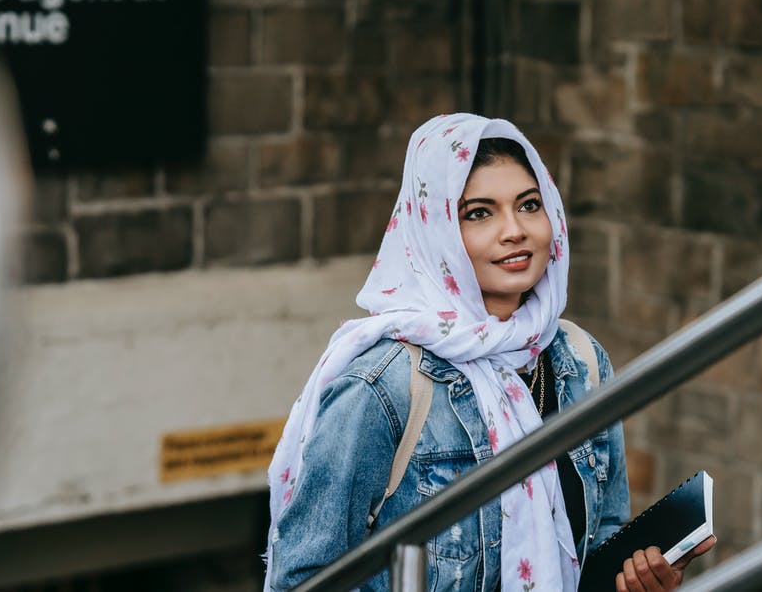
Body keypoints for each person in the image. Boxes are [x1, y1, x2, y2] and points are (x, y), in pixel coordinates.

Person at [265, 113, 714, 591]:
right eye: (479, 212)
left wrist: (633, 579)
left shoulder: (580, 361)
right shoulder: (385, 387)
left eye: (528, 205)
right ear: (434, 231)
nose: (514, 230)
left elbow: (599, 536)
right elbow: (303, 579)